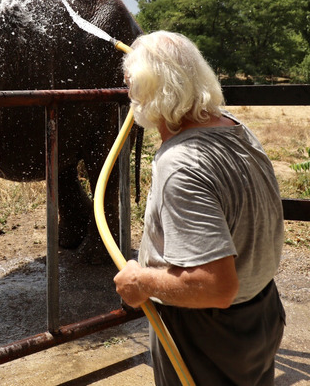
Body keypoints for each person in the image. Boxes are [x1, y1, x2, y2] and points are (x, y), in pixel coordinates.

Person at [113, 31, 285, 386]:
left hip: (208, 334)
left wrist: (141, 281)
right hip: (262, 314)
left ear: (147, 92)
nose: (129, 96)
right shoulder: (236, 129)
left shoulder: (181, 163)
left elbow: (215, 287)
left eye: (131, 87)